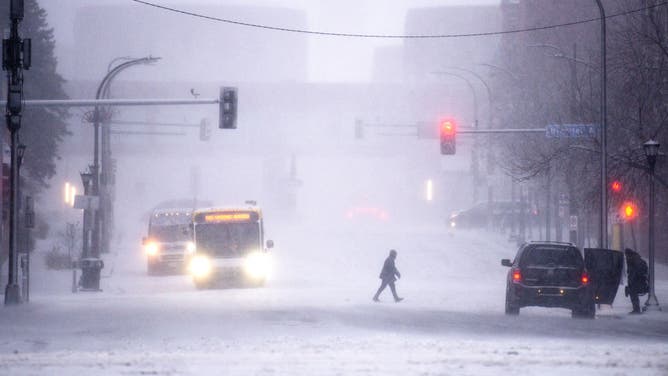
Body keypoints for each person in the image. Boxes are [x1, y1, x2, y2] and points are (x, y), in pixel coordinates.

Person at [624, 248, 649, 314]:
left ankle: (636, 309)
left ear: (629, 254)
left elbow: (634, 273)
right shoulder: (635, 259)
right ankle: (636, 309)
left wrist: (631, 282)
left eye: (626, 255)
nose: (626, 257)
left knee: (633, 292)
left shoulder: (634, 260)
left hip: (639, 282)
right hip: (639, 281)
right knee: (632, 292)